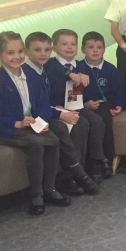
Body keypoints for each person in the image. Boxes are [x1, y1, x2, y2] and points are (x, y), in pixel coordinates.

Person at [0, 31, 71, 216]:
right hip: (11, 128)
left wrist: (41, 121)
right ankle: (36, 194)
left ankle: (49, 189)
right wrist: (17, 123)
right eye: (10, 53)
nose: (16, 56)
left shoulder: (32, 75)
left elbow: (43, 102)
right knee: (39, 144)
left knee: (52, 140)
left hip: (33, 124)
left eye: (19, 51)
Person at [22, 32, 100, 197]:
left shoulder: (41, 69)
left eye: (46, 50)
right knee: (68, 126)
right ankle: (72, 174)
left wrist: (57, 109)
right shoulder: (27, 73)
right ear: (27, 51)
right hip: (35, 117)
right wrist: (59, 113)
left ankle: (77, 172)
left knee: (82, 123)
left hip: (48, 110)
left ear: (51, 50)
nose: (43, 54)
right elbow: (34, 105)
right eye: (37, 50)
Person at [47, 29, 109, 183]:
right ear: (54, 48)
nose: (69, 47)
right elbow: (54, 87)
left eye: (73, 44)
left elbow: (85, 90)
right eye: (64, 44)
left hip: (77, 105)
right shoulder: (50, 65)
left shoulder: (81, 65)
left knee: (96, 121)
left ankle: (94, 161)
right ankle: (75, 171)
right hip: (58, 106)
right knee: (81, 125)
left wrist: (87, 101)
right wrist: (69, 75)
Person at [78, 32, 126, 177]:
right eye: (91, 47)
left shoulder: (110, 69)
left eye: (99, 47)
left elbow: (120, 90)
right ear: (83, 50)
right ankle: (93, 161)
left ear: (104, 49)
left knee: (104, 116)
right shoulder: (78, 69)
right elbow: (72, 94)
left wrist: (120, 105)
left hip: (105, 103)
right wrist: (85, 104)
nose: (95, 50)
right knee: (89, 122)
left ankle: (106, 159)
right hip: (85, 105)